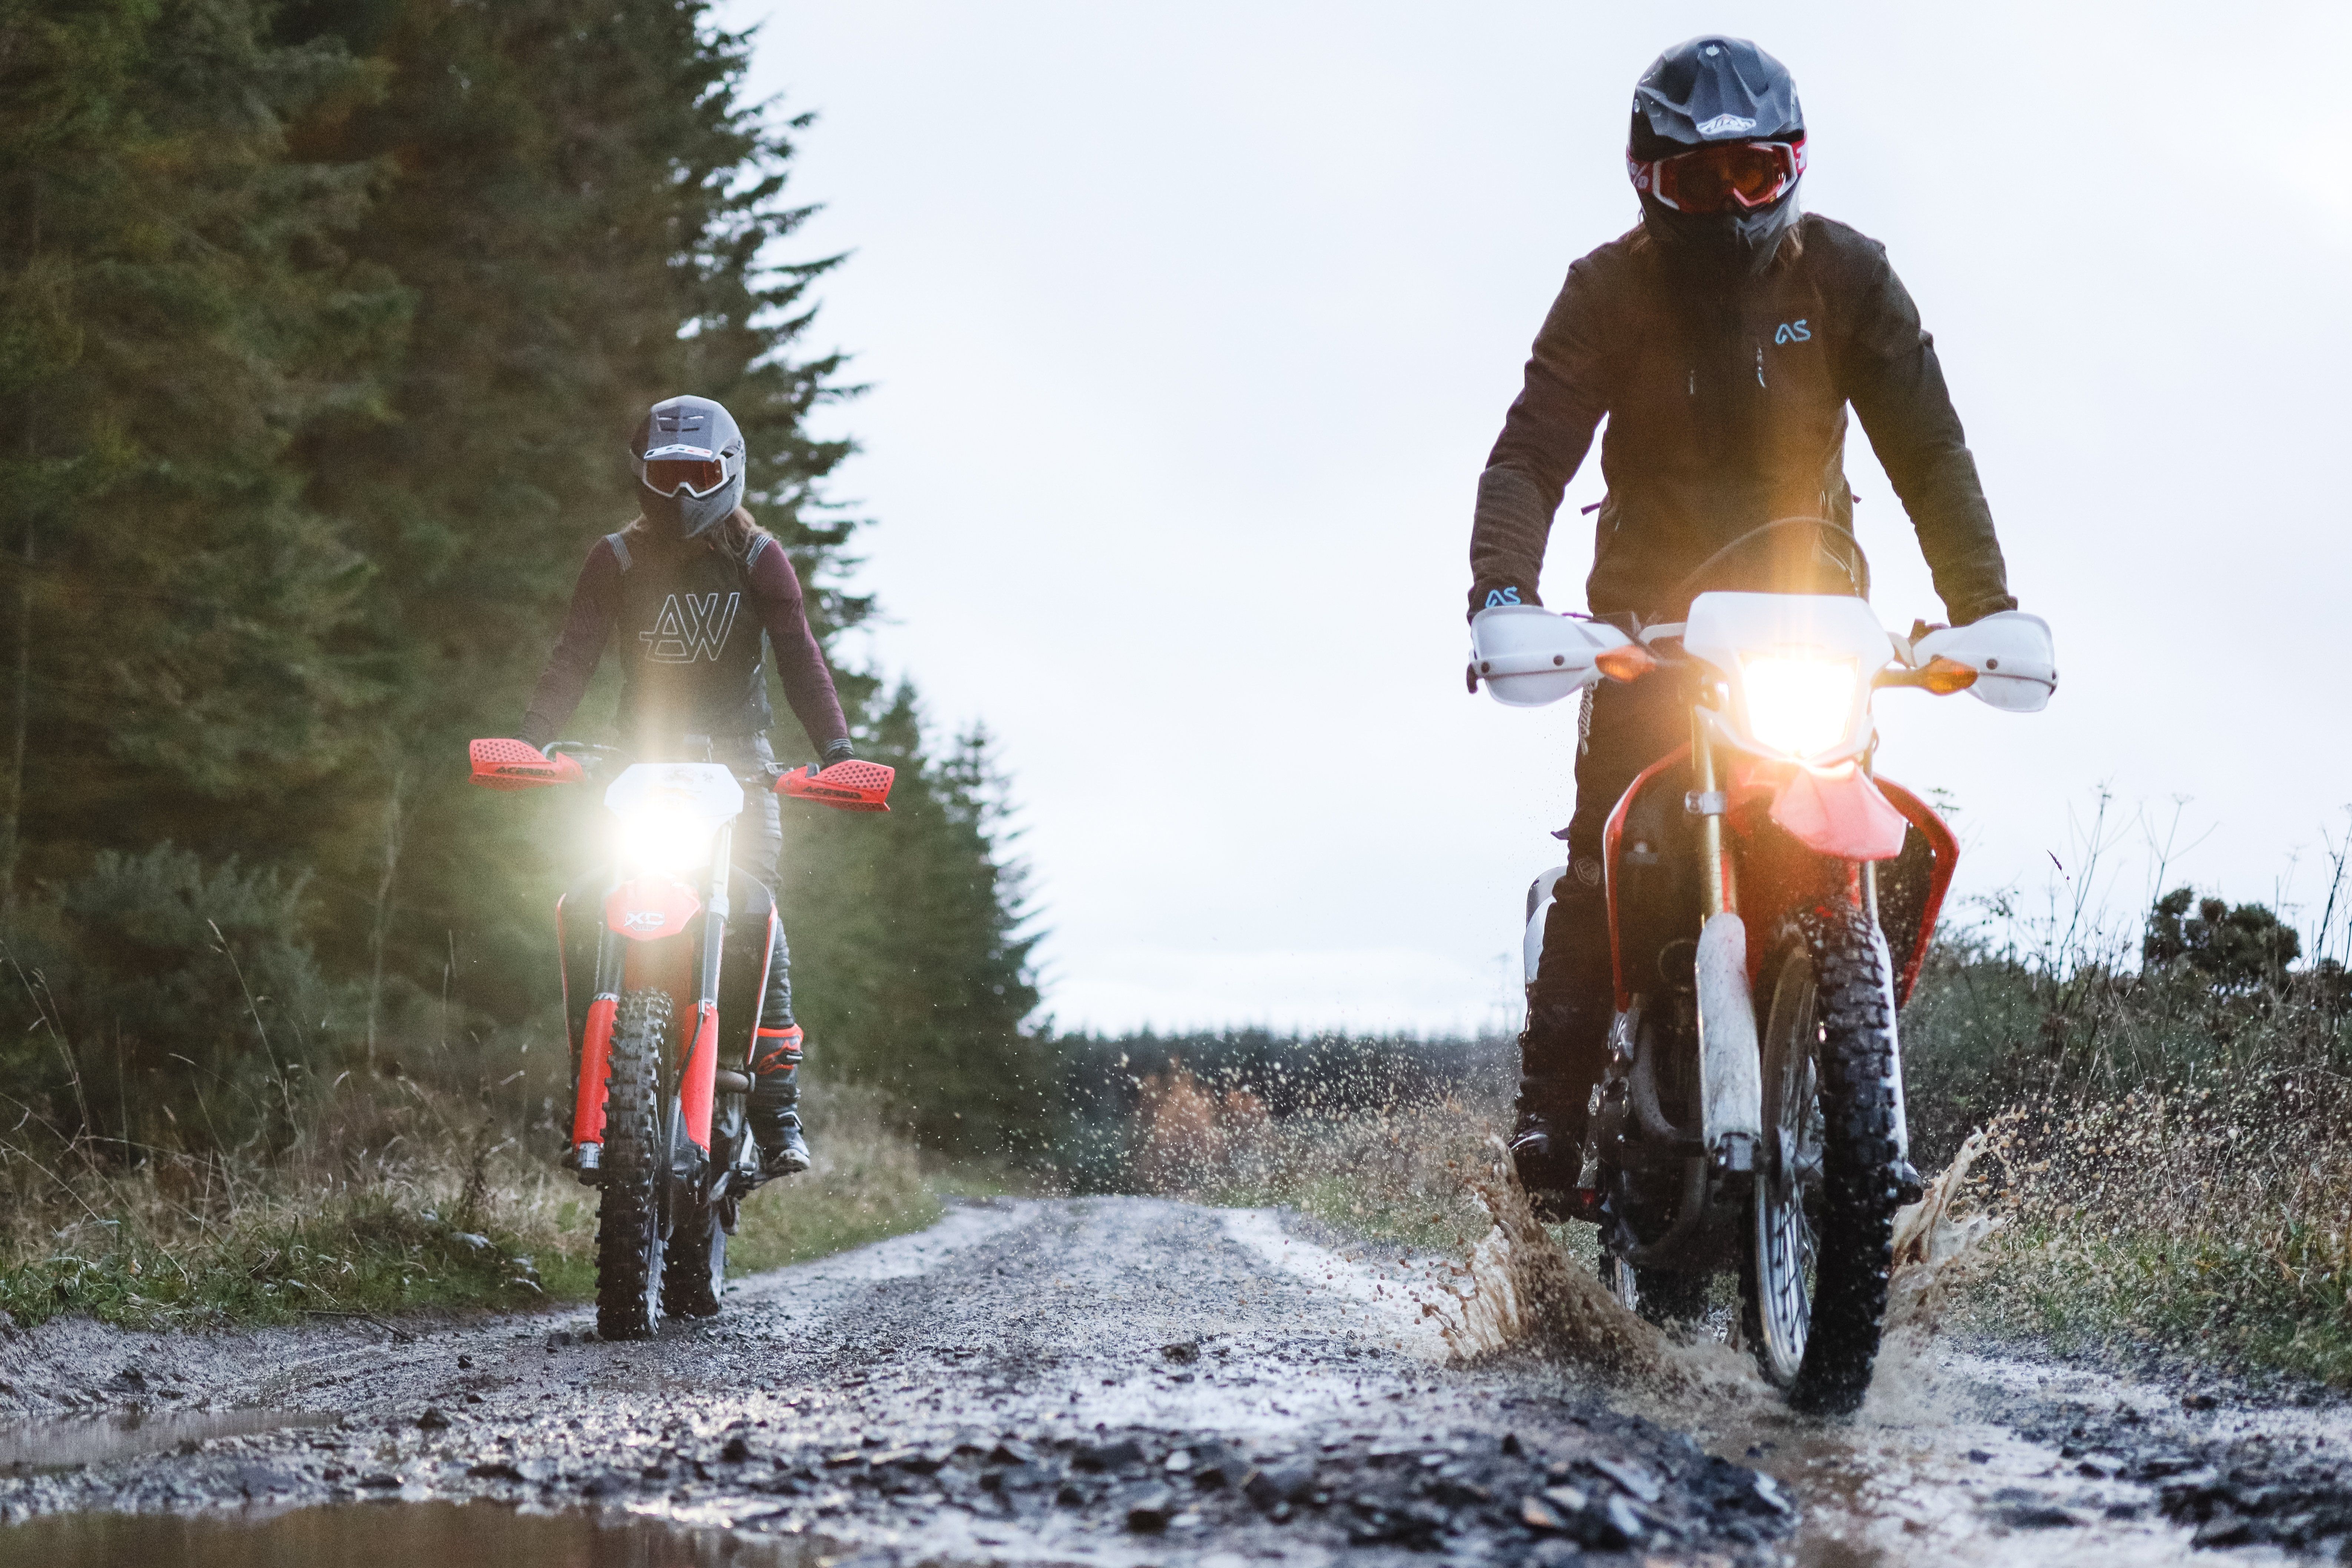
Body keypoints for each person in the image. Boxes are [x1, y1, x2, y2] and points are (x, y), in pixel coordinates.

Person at [1468, 37, 2018, 1210]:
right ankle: (1551, 1121)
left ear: (1794, 168)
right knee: (1596, 857)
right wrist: (1506, 597)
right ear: (1645, 180)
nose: (1727, 204)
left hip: (1811, 622)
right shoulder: (1607, 291)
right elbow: (1530, 454)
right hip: (1649, 634)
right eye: (1693, 180)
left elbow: (1932, 448)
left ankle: (1846, 1081)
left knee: (1871, 834)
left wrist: (1985, 607)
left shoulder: (1851, 279)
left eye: (1754, 176)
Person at [507, 393, 857, 1178]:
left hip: (741, 763)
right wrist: (529, 741)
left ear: (729, 471)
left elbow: (799, 655)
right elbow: (573, 654)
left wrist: (836, 751)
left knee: (758, 909)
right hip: (641, 762)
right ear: (641, 477)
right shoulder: (617, 560)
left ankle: (775, 1109)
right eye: (667, 476)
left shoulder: (759, 558)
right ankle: (594, 1090)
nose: (684, 494)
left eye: (699, 473)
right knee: (589, 900)